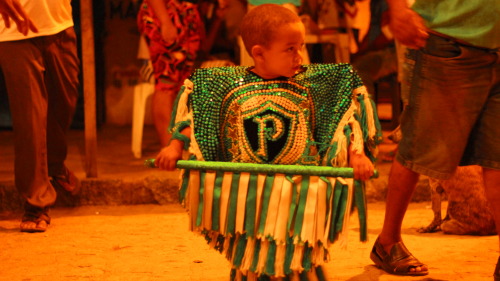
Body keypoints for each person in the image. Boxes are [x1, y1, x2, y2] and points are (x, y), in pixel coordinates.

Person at [155, 4, 382, 280]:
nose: (299, 56)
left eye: (301, 46)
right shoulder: (225, 85)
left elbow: (345, 120)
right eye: (290, 49)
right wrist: (174, 146)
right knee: (251, 256)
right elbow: (197, 120)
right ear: (259, 53)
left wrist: (357, 154)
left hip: (300, 195)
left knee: (301, 258)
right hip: (248, 196)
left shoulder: (315, 83)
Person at [370, 0, 500, 277]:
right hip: (447, 41)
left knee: (497, 155)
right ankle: (387, 241)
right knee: (419, 148)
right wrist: (396, 8)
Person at [0, 0, 80, 233]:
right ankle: (36, 203)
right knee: (30, 119)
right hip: (13, 30)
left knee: (66, 101)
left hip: (59, 24)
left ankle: (54, 164)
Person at [137, 0, 208, 147]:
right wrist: (165, 21)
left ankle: (177, 145)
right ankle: (168, 146)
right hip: (166, 12)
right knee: (166, 81)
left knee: (182, 84)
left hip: (186, 12)